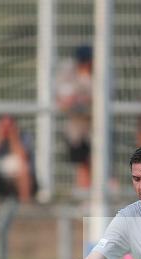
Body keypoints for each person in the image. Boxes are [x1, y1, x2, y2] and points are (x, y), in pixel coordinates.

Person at [56, 45, 94, 190]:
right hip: (76, 127)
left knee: (98, 161)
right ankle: (85, 194)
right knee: (81, 164)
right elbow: (64, 97)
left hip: (96, 126)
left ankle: (96, 194)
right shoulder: (68, 70)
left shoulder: (101, 71)